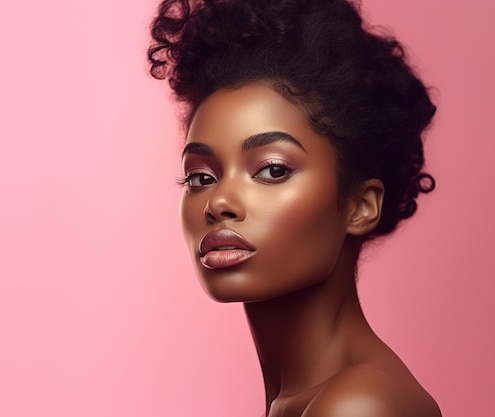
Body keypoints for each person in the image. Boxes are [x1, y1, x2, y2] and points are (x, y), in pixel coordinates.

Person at [148, 0, 440, 415]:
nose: (220, 202)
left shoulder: (359, 406)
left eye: (271, 170)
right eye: (200, 178)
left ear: (360, 206)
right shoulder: (303, 399)